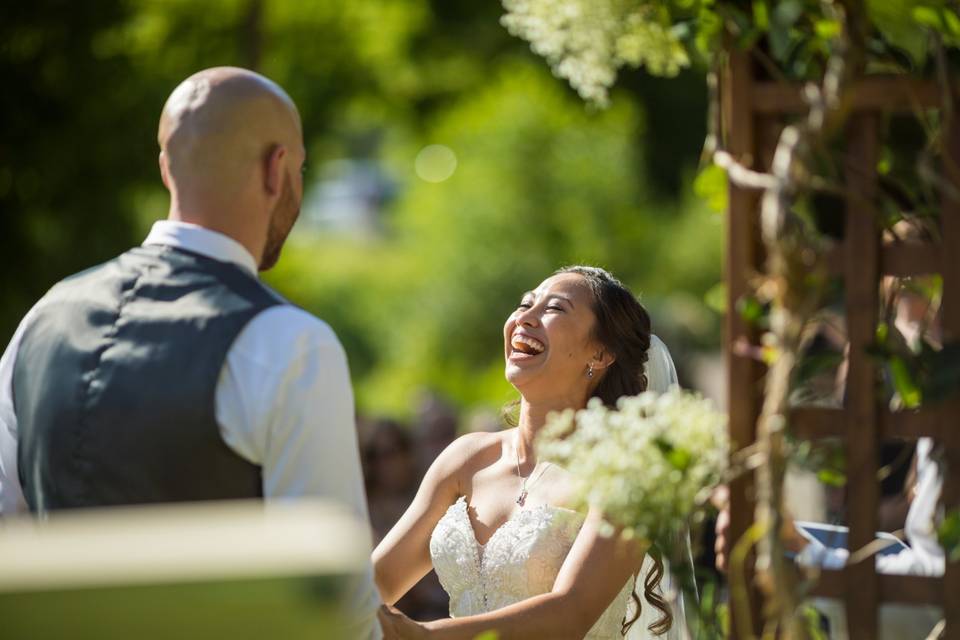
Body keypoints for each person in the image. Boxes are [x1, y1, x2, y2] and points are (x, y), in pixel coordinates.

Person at [0, 67, 381, 638]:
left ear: (165, 167)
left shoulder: (43, 318)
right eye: (300, 170)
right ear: (277, 170)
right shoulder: (291, 344)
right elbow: (335, 608)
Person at [373, 266, 684, 639]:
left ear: (601, 353)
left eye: (554, 309)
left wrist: (423, 636)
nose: (525, 317)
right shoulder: (466, 459)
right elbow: (377, 581)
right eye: (525, 304)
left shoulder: (624, 473)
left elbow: (572, 611)